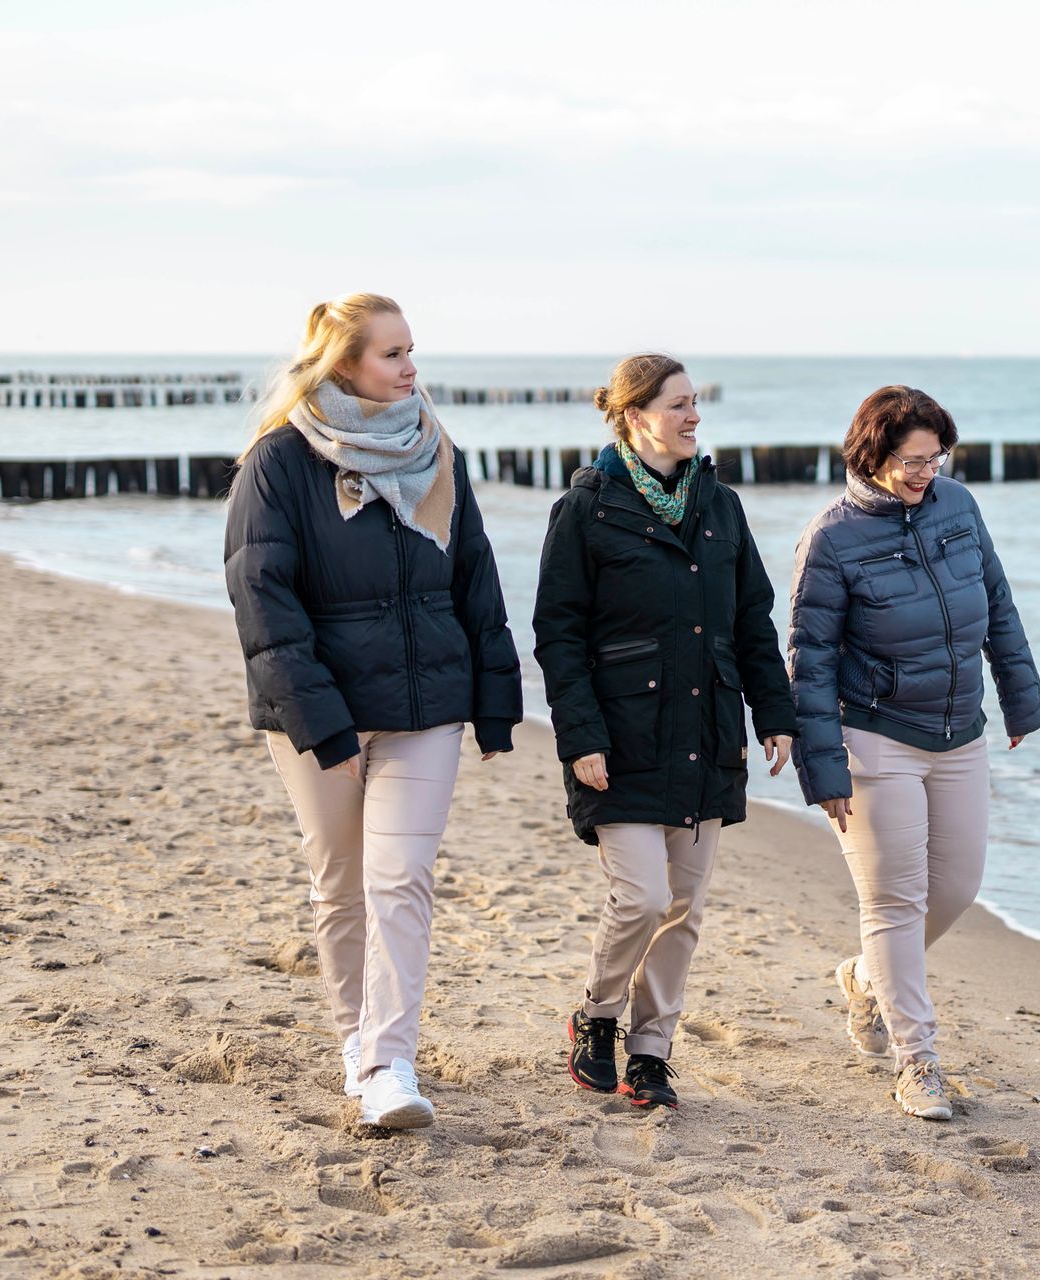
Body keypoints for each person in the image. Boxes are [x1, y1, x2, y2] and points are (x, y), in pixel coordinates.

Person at [224, 293, 521, 1129]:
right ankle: (353, 1039)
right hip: (323, 712)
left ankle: (390, 1062)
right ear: (344, 363)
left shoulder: (435, 450)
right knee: (342, 883)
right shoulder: (278, 464)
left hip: (426, 702)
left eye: (412, 351)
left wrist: (495, 697)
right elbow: (261, 596)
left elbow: (475, 577)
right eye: (393, 354)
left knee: (402, 881)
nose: (411, 368)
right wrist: (319, 719)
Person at [533, 353, 796, 1110]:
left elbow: (751, 621)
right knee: (642, 899)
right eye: (679, 404)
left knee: (684, 909)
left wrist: (773, 714)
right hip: (620, 737)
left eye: (694, 404)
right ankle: (598, 1014)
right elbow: (559, 633)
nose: (693, 417)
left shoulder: (722, 507)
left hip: (707, 731)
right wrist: (579, 735)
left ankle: (651, 1048)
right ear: (635, 414)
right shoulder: (587, 508)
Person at [787, 385, 1040, 1121]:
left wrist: (1020, 697)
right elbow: (809, 663)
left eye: (935, 457)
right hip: (874, 735)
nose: (924, 471)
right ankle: (917, 1061)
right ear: (872, 455)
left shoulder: (958, 507)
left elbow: (995, 600)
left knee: (958, 887)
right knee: (895, 900)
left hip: (959, 731)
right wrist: (823, 766)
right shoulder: (831, 539)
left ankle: (868, 978)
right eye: (909, 459)